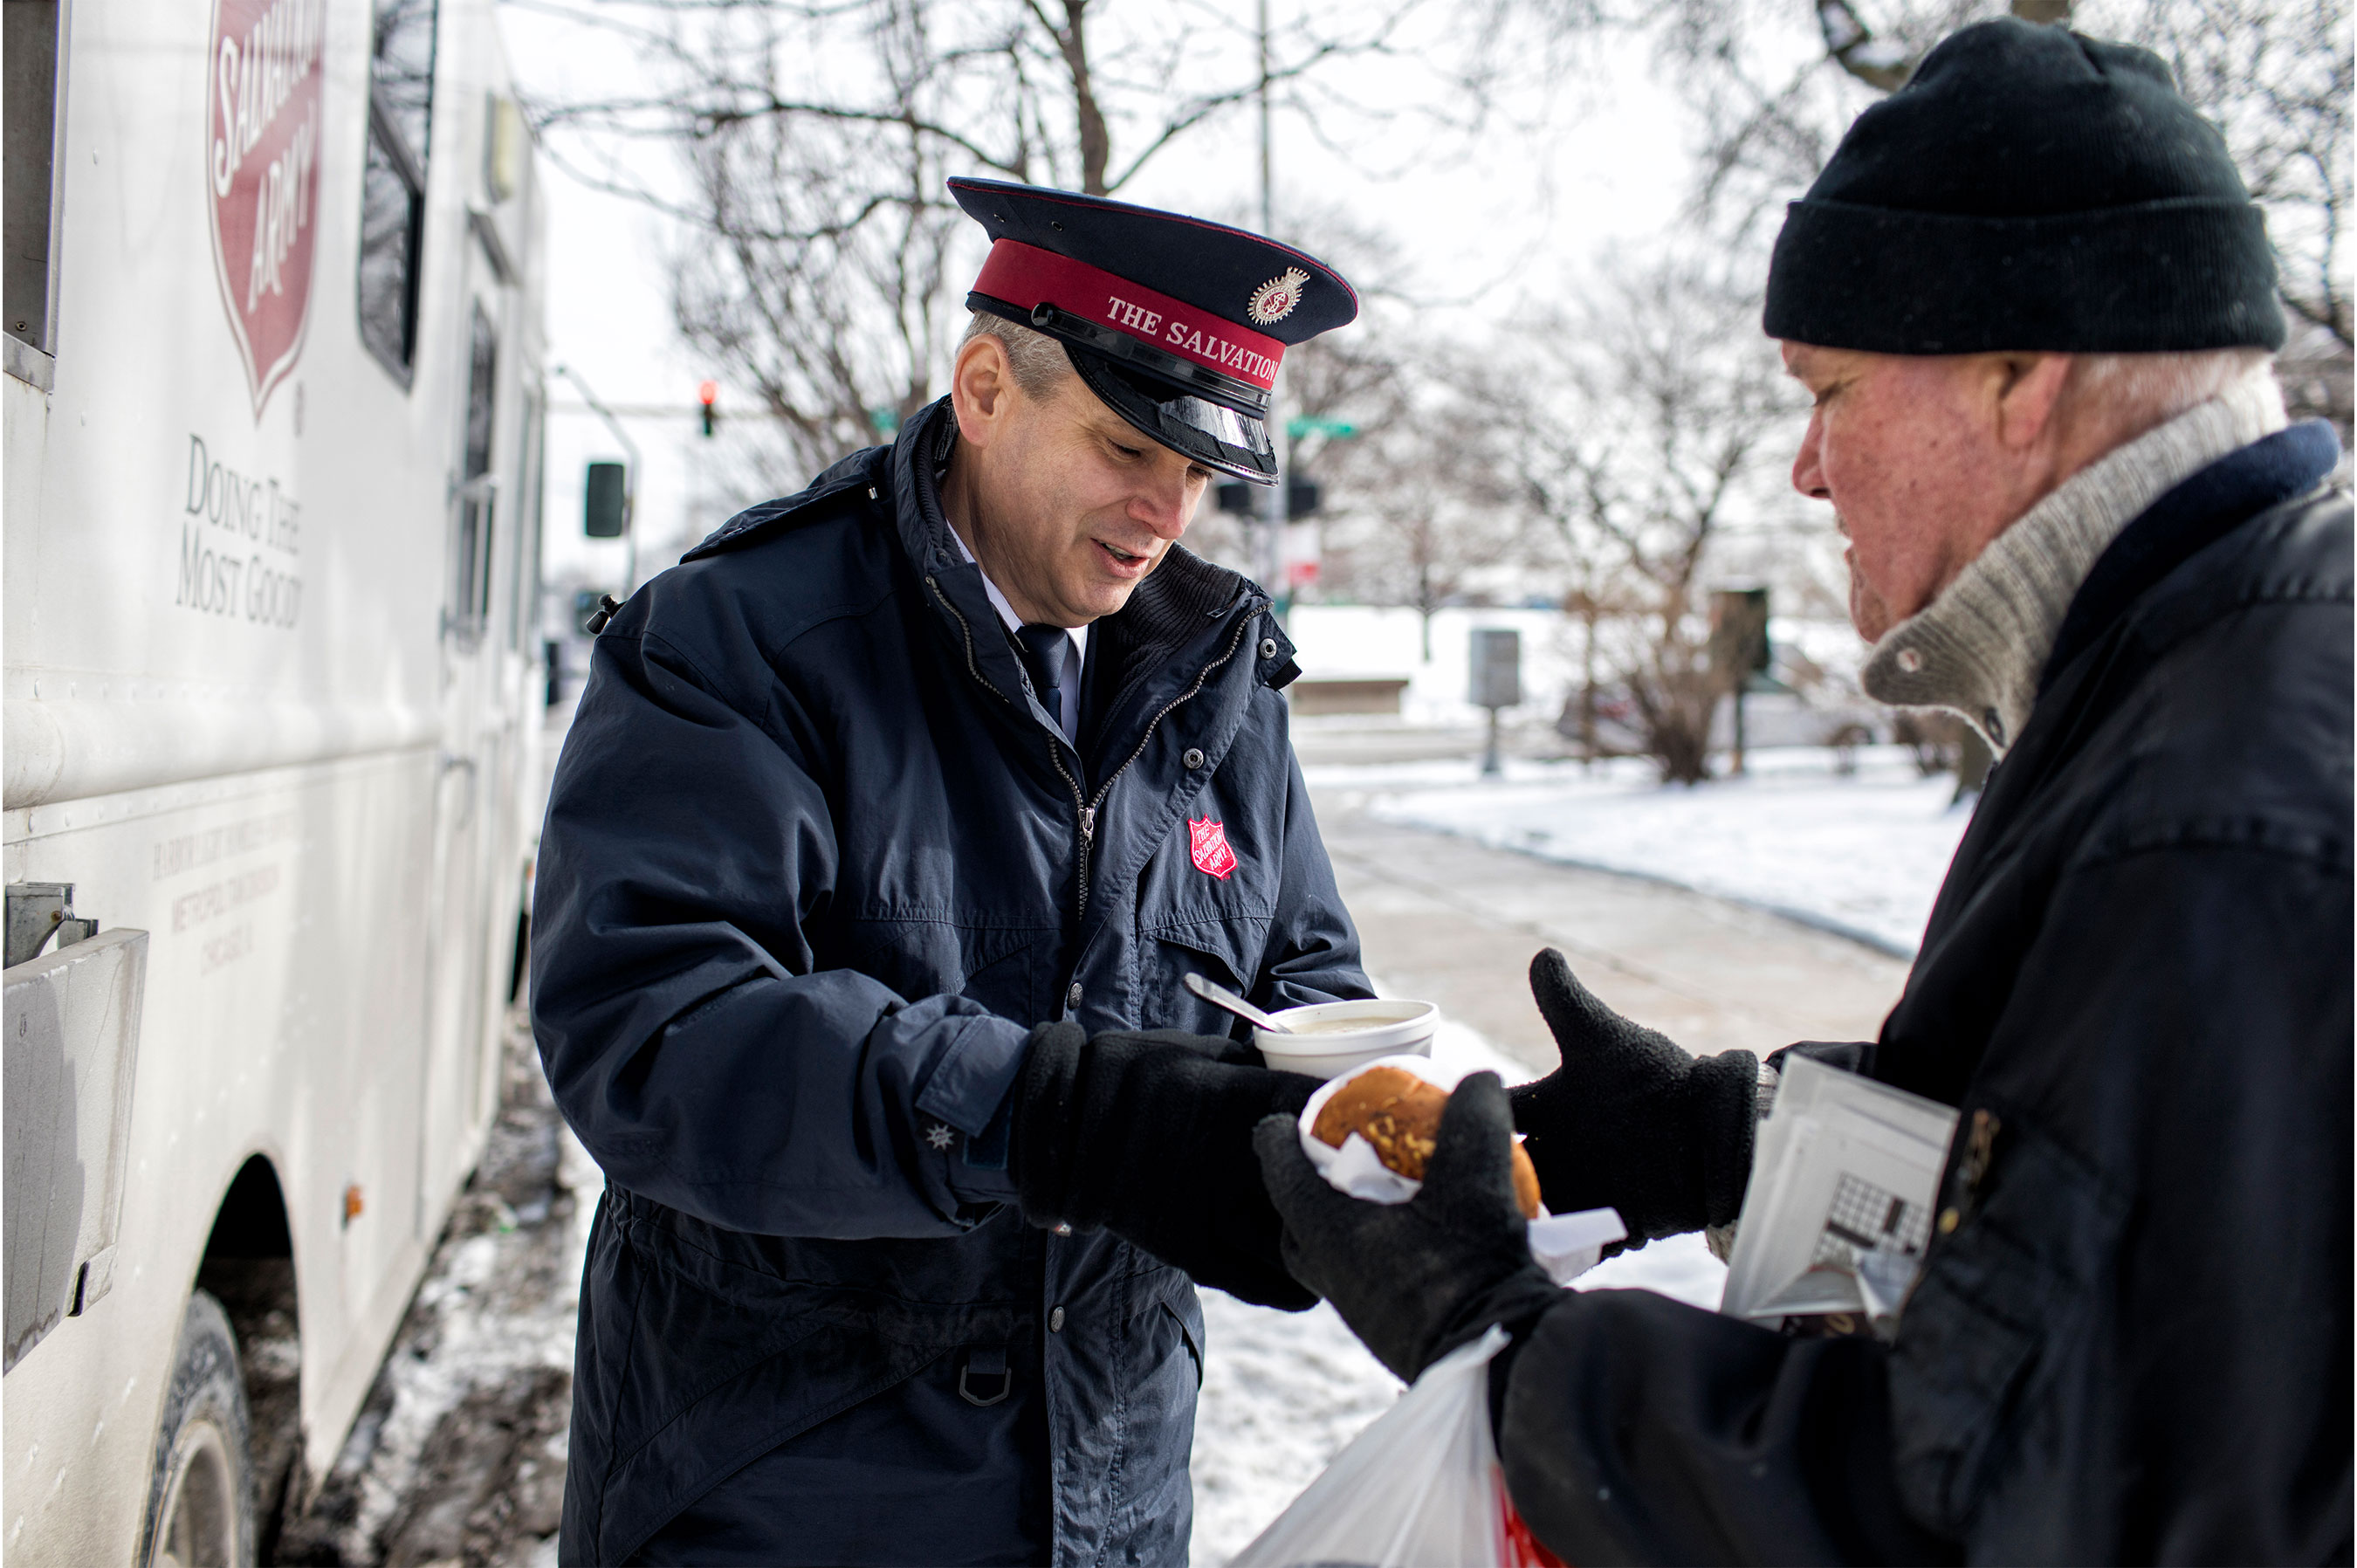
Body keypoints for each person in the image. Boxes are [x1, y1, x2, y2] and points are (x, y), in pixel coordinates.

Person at [1256, 19, 2351, 1564]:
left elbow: (2007, 1504)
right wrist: (1738, 1142)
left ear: (2018, 377)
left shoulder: (2219, 816)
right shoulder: (2212, 669)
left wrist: (1497, 1338)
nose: (1807, 468)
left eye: (1828, 389)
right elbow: (2079, 1221)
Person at [533, 178, 1371, 1565]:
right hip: (784, 1504)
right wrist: (1049, 1118)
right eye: (1128, 445)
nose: (1166, 510)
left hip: (1108, 1506)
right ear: (985, 389)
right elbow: (652, 1030)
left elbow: (1304, 980)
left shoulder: (1217, 684)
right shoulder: (738, 640)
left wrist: (1372, 1134)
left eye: (1200, 475)